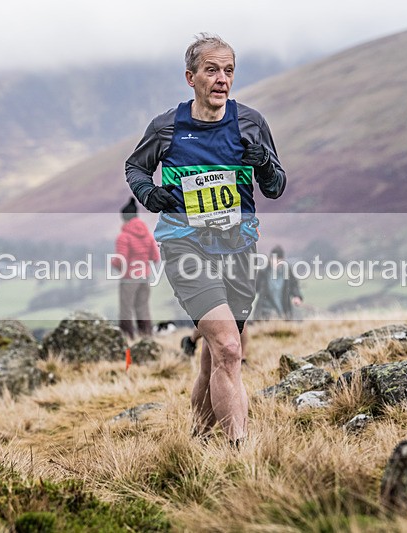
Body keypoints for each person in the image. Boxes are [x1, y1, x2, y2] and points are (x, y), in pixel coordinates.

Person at [126, 33, 286, 443]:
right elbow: (135, 168)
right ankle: (239, 454)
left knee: (214, 354)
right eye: (212, 70)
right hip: (186, 247)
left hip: (239, 250)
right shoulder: (167, 128)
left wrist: (264, 162)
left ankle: (198, 439)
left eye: (228, 71)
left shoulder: (250, 123)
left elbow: (276, 186)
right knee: (231, 348)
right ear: (190, 77)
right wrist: (150, 193)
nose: (221, 79)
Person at [110, 197, 160, 339]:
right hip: (144, 276)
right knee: (143, 308)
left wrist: (113, 264)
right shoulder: (148, 236)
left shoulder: (124, 237)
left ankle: (128, 339)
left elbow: (121, 260)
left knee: (126, 309)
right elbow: (155, 257)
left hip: (129, 278)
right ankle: (146, 338)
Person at [254, 245, 303, 320]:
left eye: (278, 260)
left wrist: (297, 296)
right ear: (270, 259)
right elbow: (254, 288)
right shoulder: (263, 272)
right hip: (265, 312)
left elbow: (294, 285)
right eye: (274, 259)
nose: (276, 262)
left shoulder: (287, 271)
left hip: (283, 311)